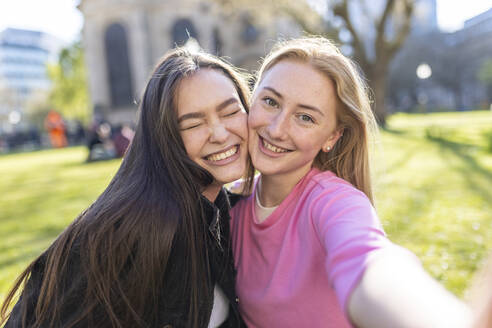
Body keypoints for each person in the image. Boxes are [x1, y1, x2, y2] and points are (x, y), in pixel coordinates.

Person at [1, 47, 253, 328]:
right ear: (164, 137)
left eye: (231, 112)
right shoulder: (138, 230)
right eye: (193, 124)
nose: (219, 134)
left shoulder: (224, 211)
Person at [230, 37, 471, 327]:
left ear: (332, 137)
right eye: (270, 101)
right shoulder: (232, 201)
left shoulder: (334, 202)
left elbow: (368, 261)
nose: (277, 128)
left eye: (305, 117)